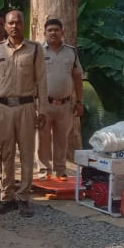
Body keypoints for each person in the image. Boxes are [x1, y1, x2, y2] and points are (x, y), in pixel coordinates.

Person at [0, 9, 47, 219]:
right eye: (10, 23)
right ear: (5, 26)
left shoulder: (35, 49)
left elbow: (42, 81)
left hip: (26, 107)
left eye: (18, 22)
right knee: (6, 153)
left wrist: (43, 109)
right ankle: (7, 197)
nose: (14, 26)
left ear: (23, 24)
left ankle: (23, 197)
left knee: (27, 153)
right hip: (4, 108)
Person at [37, 18, 84, 181]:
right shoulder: (38, 52)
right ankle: (44, 170)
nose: (53, 33)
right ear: (44, 33)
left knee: (62, 139)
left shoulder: (71, 52)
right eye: (50, 30)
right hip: (44, 104)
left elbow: (77, 78)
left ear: (62, 32)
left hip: (65, 104)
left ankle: (61, 171)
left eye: (56, 30)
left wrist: (79, 101)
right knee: (42, 138)